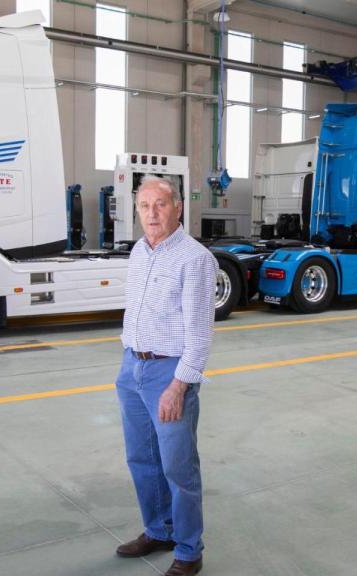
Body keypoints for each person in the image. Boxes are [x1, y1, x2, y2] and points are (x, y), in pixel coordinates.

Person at [114, 176, 217, 576]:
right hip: (131, 367)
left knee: (178, 467)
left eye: (160, 204)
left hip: (168, 374)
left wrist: (178, 385)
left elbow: (200, 335)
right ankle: (159, 531)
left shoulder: (195, 259)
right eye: (144, 206)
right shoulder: (140, 251)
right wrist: (127, 361)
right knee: (142, 458)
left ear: (177, 207)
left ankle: (189, 551)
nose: (152, 213)